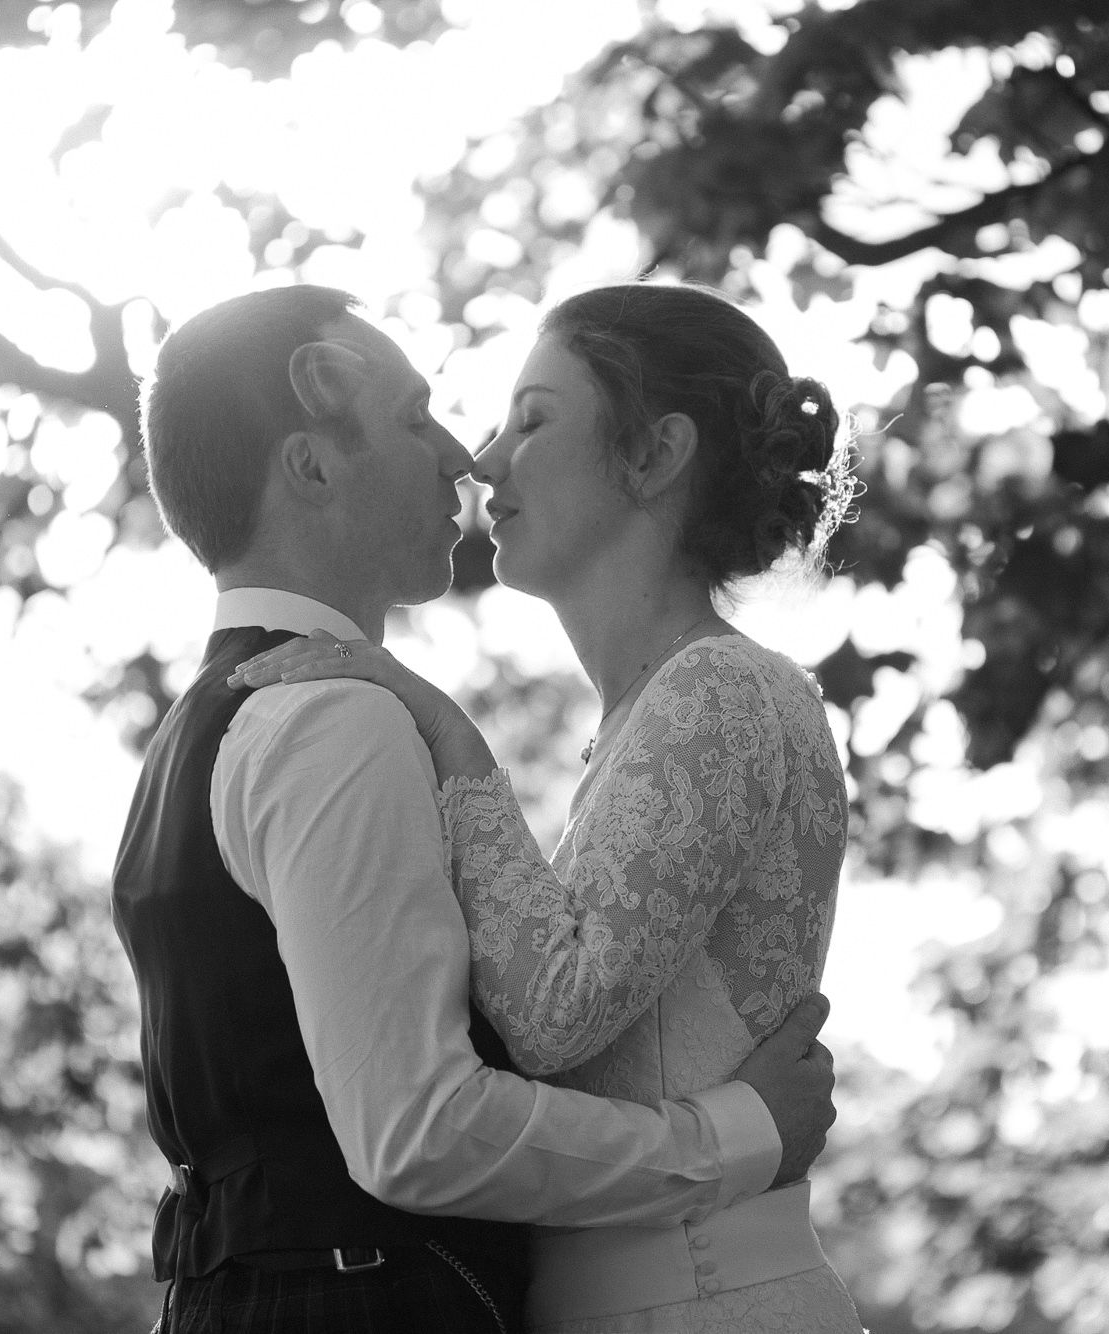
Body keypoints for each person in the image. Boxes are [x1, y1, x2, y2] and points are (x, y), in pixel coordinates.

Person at [110, 284, 838, 1334]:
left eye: (529, 418)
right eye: (420, 418)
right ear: (309, 465)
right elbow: (434, 1109)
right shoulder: (329, 716)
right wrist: (739, 1132)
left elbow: (548, 1012)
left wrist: (451, 738)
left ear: (652, 456)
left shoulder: (714, 693)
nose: (474, 457)